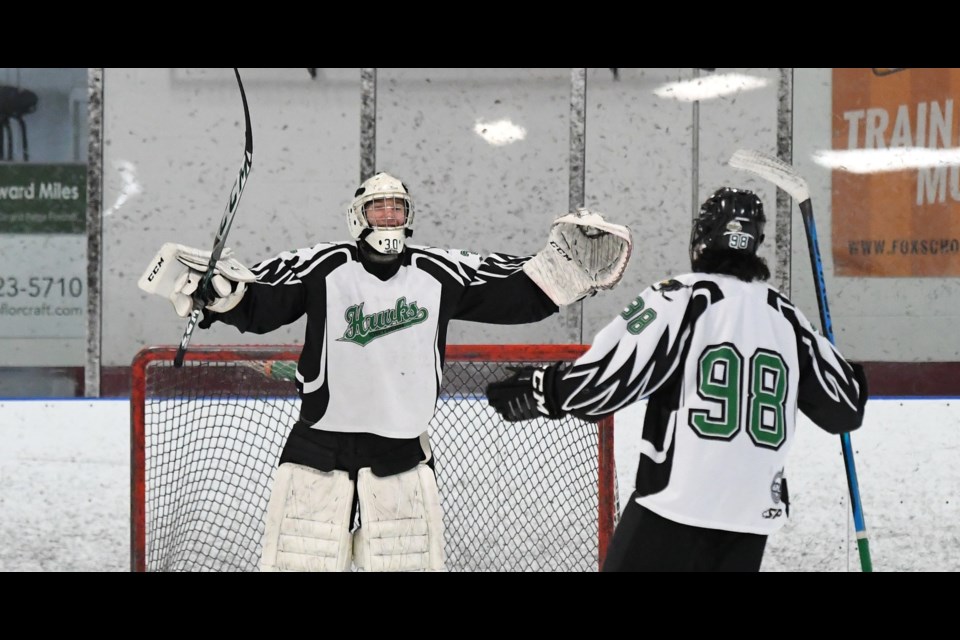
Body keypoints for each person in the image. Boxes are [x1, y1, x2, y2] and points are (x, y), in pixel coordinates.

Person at [138, 171, 632, 571]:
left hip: (400, 446)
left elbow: (514, 292)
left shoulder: (440, 270)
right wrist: (220, 297)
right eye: (378, 207)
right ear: (358, 217)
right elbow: (263, 303)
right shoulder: (323, 264)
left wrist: (566, 271)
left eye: (397, 207)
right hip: (320, 441)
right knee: (298, 563)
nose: (389, 214)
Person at [485, 186, 868, 572]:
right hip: (751, 517)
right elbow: (846, 411)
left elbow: (602, 386)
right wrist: (841, 364)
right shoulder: (789, 317)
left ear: (702, 237)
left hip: (675, 504)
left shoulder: (678, 298)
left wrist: (544, 390)